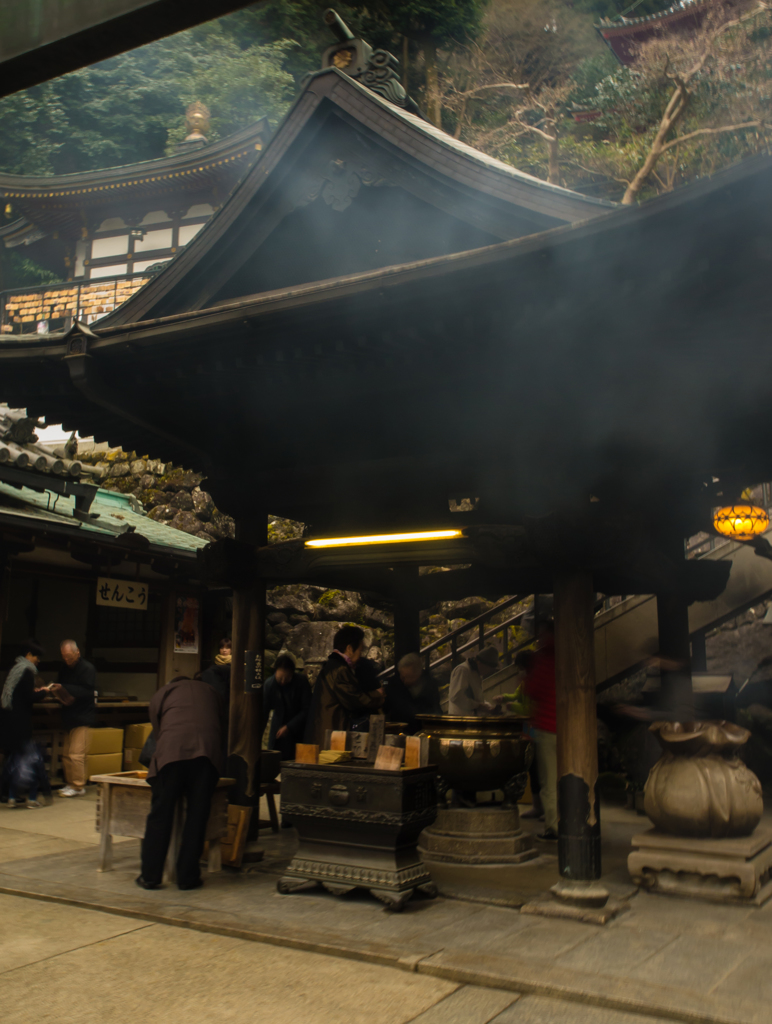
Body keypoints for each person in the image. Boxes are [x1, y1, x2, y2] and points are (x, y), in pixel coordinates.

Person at [138, 674, 226, 891]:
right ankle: (187, 877)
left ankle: (151, 876)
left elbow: (157, 731)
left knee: (161, 813)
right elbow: (220, 724)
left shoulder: (163, 692)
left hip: (172, 754)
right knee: (197, 815)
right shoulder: (211, 692)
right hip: (206, 755)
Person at [303, 625, 384, 747]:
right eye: (360, 650)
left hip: (324, 731)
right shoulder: (339, 670)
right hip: (330, 735)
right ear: (349, 648)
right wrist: (377, 694)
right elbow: (354, 699)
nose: (360, 655)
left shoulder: (333, 666)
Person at [0, 642, 51, 808]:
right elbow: (28, 698)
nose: (38, 661)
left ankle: (9, 796)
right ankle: (28, 797)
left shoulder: (14, 669)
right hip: (20, 722)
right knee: (25, 761)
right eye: (37, 657)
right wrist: (44, 691)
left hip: (8, 720)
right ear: (29, 655)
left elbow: (17, 695)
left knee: (11, 760)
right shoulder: (27, 671)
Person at [48, 640, 97, 797]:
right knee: (67, 754)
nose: (67, 660)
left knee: (76, 754)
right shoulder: (64, 668)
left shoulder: (88, 668)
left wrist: (64, 687)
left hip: (83, 716)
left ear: (77, 653)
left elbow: (88, 691)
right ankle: (70, 783)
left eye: (69, 657)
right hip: (68, 715)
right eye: (64, 657)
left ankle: (78, 786)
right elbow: (62, 685)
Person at [523, 620, 557, 841]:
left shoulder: (542, 658)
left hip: (546, 726)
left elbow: (531, 690)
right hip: (571, 726)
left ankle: (553, 826)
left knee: (549, 781)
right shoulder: (568, 652)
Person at [263, 653, 312, 761]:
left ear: (292, 673)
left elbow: (307, 709)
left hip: (297, 729)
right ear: (275, 672)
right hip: (278, 730)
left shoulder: (301, 682)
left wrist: (289, 726)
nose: (283, 681)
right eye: (280, 678)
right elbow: (264, 712)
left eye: (287, 678)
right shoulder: (269, 684)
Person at [385, 653, 442, 733]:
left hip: (422, 731)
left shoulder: (430, 684)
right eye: (402, 676)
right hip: (398, 731)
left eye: (407, 677)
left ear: (418, 674)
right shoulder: (394, 684)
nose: (403, 680)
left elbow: (435, 711)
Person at [447, 645, 499, 716]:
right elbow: (456, 697)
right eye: (488, 668)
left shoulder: (476, 674)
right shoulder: (463, 670)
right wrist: (478, 705)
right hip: (460, 719)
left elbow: (476, 697)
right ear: (479, 662)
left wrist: (487, 706)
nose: (488, 672)